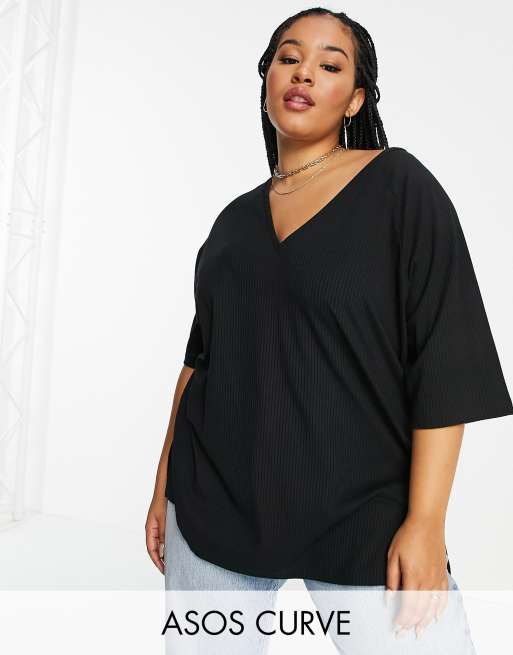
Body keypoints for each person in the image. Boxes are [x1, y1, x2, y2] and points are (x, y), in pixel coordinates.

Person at [146, 7, 512, 654]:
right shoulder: (233, 223)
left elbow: (443, 357)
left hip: (364, 514)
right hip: (215, 507)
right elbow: (199, 363)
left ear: (356, 99)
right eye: (288, 59)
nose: (304, 73)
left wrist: (426, 522)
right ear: (266, 79)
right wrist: (162, 492)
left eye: (329, 64)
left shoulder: (398, 187)